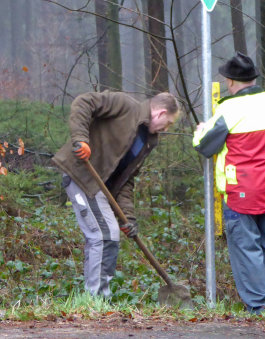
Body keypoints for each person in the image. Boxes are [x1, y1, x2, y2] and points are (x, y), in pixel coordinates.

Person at [52, 90, 180, 298]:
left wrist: (127, 218)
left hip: (99, 187)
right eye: (169, 123)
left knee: (106, 234)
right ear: (160, 112)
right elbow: (83, 101)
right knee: (104, 234)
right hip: (81, 174)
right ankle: (97, 299)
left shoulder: (148, 141)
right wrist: (81, 139)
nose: (167, 128)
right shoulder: (124, 105)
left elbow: (125, 181)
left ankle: (94, 298)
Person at [193, 52, 265, 314]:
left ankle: (258, 307)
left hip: (241, 191)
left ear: (232, 82)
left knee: (247, 249)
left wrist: (201, 130)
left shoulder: (228, 108)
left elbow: (205, 146)